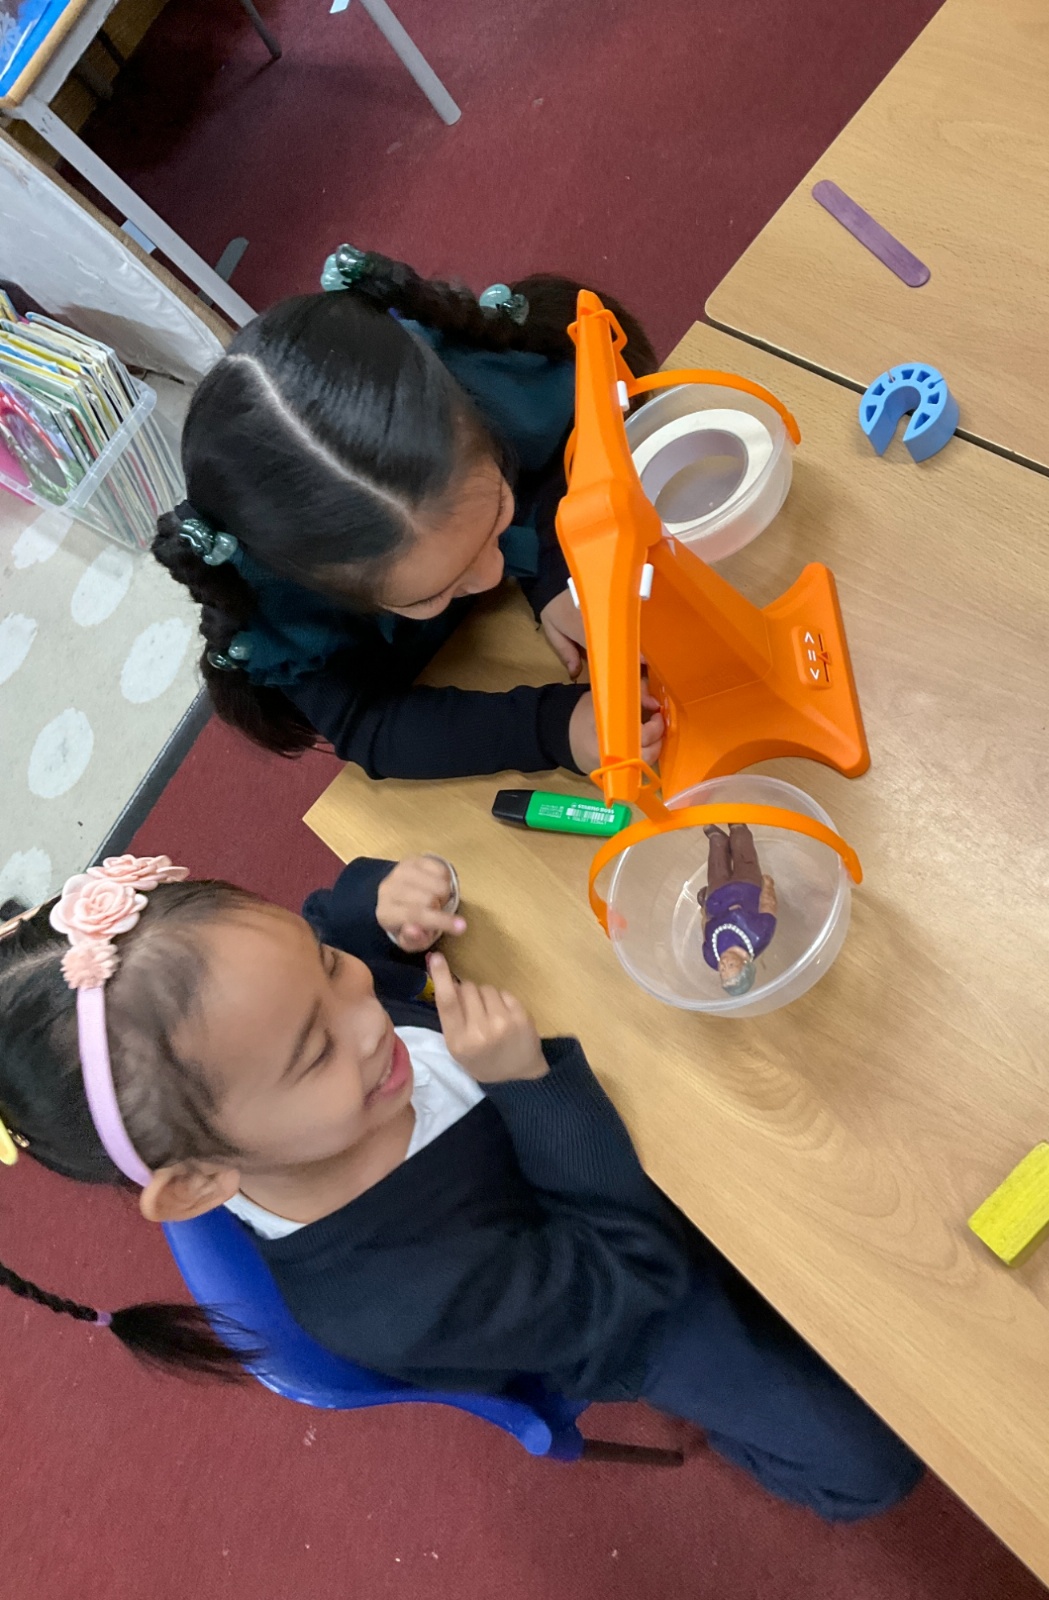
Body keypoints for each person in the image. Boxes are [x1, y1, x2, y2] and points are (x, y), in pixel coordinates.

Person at [0, 855, 920, 1520]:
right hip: (624, 1308)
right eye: (316, 1050)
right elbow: (630, 1270)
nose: (368, 1017)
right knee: (869, 1462)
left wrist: (380, 905)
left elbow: (324, 920)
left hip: (627, 1155)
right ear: (202, 1177)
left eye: (327, 968)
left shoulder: (284, 1038)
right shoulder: (393, 1302)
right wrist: (529, 1089)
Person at [152, 247, 663, 781]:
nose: (494, 572)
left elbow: (547, 466)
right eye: (431, 593)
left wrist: (552, 575)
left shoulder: (469, 389)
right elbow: (371, 725)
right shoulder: (282, 603)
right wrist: (552, 727)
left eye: (496, 516)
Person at [699, 824, 777, 996]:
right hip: (746, 888)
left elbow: (705, 929)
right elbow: (768, 905)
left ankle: (717, 840)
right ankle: (738, 829)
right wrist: (768, 886)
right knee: (745, 857)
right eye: (731, 965)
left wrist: (704, 911)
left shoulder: (711, 956)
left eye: (722, 970)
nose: (724, 964)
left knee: (716, 867)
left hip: (717, 897)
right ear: (745, 963)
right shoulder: (759, 935)